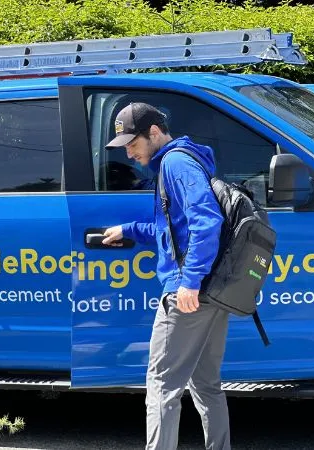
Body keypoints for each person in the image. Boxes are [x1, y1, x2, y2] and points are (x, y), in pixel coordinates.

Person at [101, 102, 230, 450]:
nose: (129, 152)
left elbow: (207, 221)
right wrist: (128, 229)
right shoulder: (180, 161)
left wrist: (189, 281)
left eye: (133, 142)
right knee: (206, 384)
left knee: (160, 385)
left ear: (154, 132)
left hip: (189, 293)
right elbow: (173, 229)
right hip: (212, 292)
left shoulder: (175, 163)